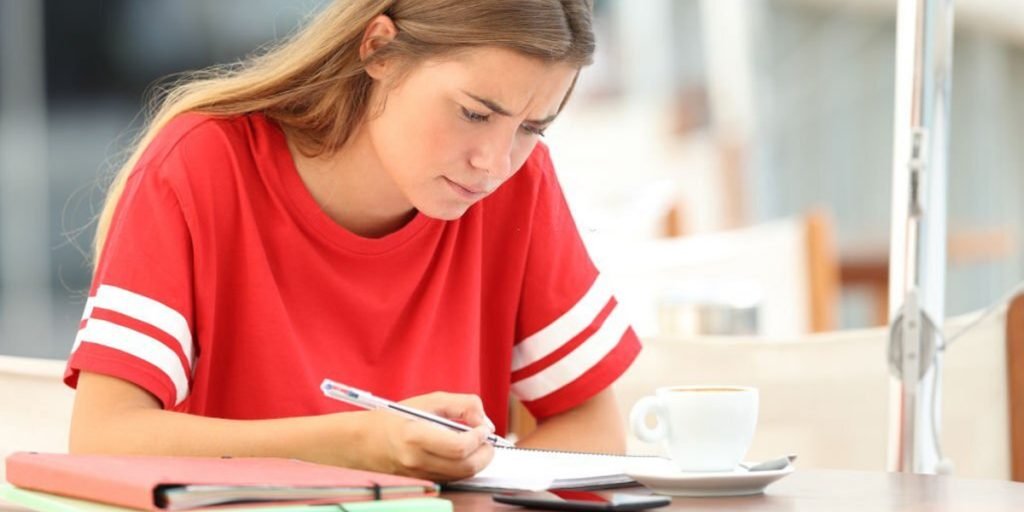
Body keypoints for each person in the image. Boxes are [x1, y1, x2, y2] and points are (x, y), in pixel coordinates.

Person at [66, 0, 641, 483]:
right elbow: (102, 439)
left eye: (531, 128)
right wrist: (359, 445)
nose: (493, 163)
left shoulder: (520, 185)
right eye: (473, 113)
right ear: (380, 51)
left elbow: (594, 430)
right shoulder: (201, 165)